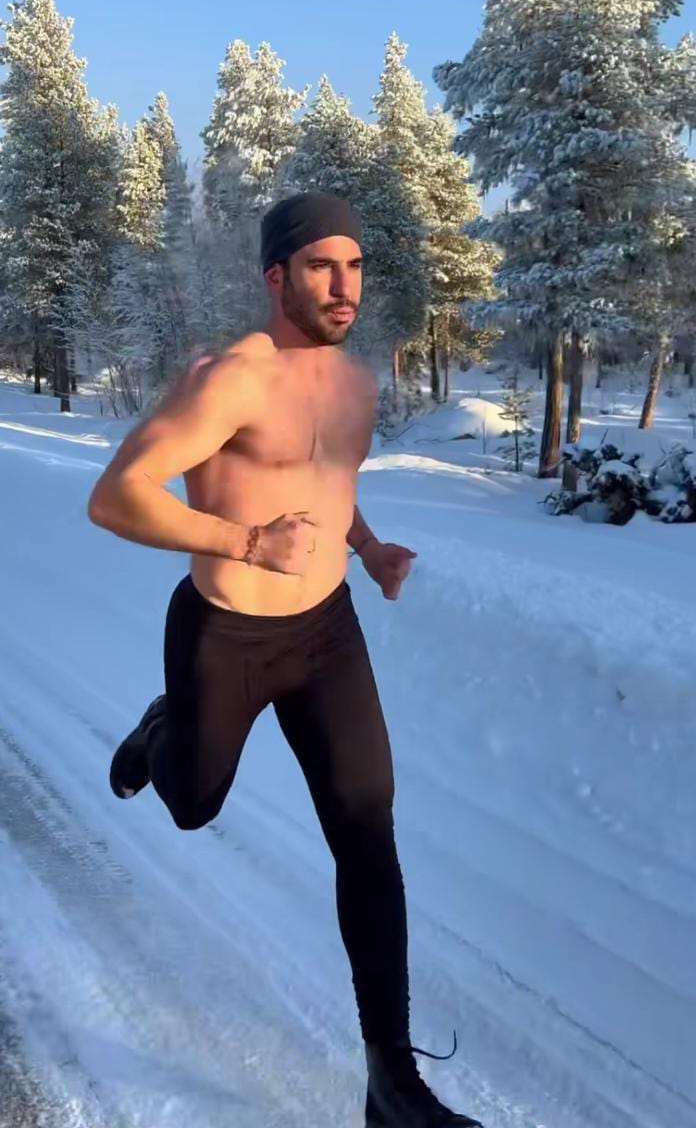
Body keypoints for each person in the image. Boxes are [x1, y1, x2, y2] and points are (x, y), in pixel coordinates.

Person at [87, 191, 482, 1128]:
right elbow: (116, 496)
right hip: (227, 632)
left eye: (354, 266)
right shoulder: (230, 378)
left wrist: (368, 545)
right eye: (320, 267)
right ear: (278, 276)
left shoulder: (352, 382)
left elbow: (326, 485)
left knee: (368, 823)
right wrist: (241, 540)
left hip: (327, 631)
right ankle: (163, 732)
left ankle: (392, 1083)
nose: (343, 287)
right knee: (193, 805)